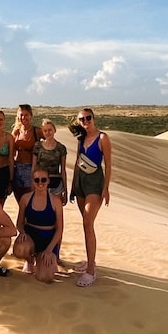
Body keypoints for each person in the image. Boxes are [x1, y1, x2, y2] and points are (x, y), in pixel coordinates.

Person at [69, 107, 112, 287]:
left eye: (88, 118)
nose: (85, 122)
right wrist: (73, 186)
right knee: (86, 225)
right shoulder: (81, 138)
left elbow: (109, 165)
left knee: (88, 222)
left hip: (95, 182)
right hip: (81, 183)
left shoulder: (102, 138)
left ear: (93, 118)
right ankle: (90, 260)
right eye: (82, 119)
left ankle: (91, 271)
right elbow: (78, 163)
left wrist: (106, 188)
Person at [13, 168, 63, 283]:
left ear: (48, 181)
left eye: (43, 180)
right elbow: (19, 223)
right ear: (32, 181)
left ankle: (46, 261)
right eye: (37, 180)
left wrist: (50, 249)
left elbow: (59, 229)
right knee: (19, 249)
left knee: (45, 277)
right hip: (31, 235)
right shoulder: (25, 198)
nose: (40, 183)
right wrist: (22, 232)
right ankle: (30, 261)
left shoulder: (56, 201)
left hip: (48, 239)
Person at [11, 103, 42, 205]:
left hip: (31, 170)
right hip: (17, 170)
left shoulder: (37, 131)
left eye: (26, 115)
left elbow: (51, 144)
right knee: (20, 202)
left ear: (31, 115)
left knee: (31, 202)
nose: (23, 117)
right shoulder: (16, 132)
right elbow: (11, 153)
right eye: (21, 115)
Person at [32, 118, 68, 205]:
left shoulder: (61, 148)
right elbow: (34, 167)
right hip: (40, 182)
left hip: (56, 183)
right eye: (45, 131)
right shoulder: (38, 146)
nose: (48, 133)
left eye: (50, 130)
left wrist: (65, 190)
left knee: (56, 210)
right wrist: (32, 185)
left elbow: (63, 170)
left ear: (54, 130)